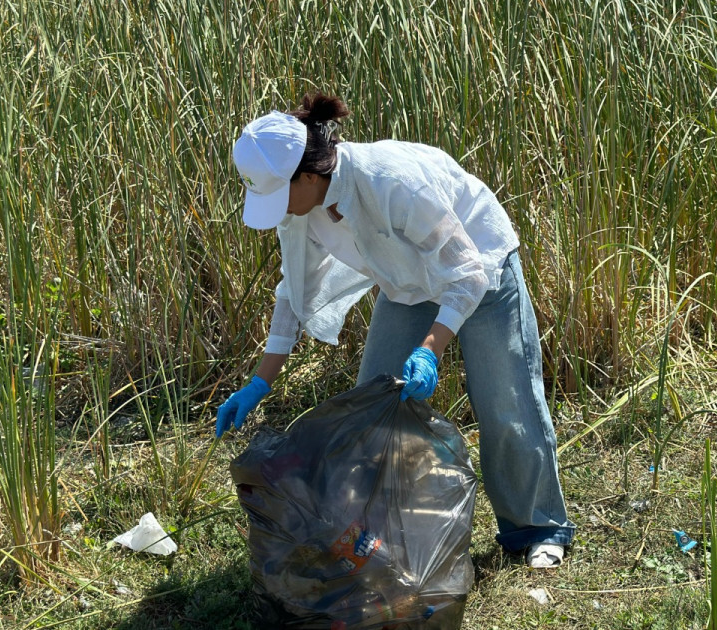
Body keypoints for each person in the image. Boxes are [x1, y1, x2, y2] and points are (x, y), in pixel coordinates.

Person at [215, 92, 574, 569]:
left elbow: (464, 272)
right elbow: (291, 292)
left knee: (505, 406)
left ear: (308, 174)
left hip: (480, 267)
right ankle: (381, 537)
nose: (277, 209)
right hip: (408, 286)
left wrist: (430, 349)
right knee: (372, 408)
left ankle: (538, 527)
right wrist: (260, 381)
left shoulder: (390, 181)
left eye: (278, 196)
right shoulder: (300, 208)